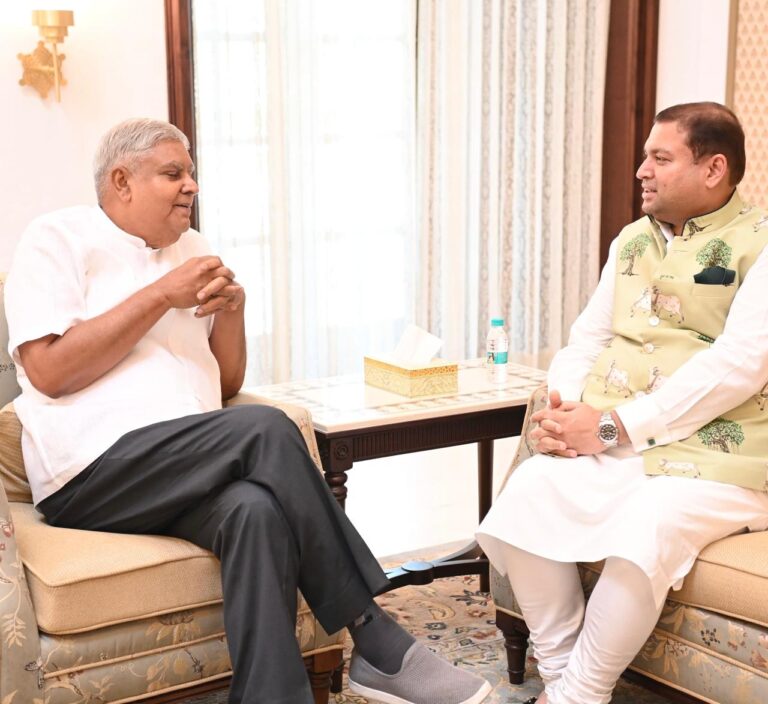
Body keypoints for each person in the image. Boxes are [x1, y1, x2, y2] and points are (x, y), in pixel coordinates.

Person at [5, 118, 491, 704]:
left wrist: (232, 311)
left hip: (187, 465)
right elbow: (49, 372)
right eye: (173, 173)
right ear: (121, 180)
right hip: (89, 473)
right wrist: (162, 294)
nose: (191, 186)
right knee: (265, 428)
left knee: (254, 510)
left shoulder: (195, 250)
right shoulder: (56, 238)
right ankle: (374, 635)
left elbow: (227, 381)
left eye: (192, 173)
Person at [476, 101, 768, 704]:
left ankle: (580, 691)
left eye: (660, 158)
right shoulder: (632, 241)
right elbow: (587, 339)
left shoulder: (761, 245)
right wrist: (563, 411)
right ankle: (562, 676)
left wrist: (609, 428)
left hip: (725, 451)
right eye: (644, 157)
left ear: (714, 169)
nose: (642, 171)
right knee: (530, 490)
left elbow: (739, 365)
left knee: (649, 523)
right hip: (629, 439)